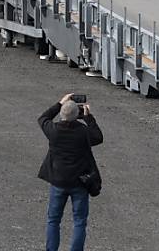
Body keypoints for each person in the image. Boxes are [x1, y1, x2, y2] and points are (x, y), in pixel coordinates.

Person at [38, 93, 103, 251]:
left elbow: (43, 118)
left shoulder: (53, 131)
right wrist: (89, 118)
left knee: (53, 220)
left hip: (58, 181)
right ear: (78, 115)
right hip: (79, 182)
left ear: (61, 115)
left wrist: (60, 103)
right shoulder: (83, 132)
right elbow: (98, 137)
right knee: (79, 221)